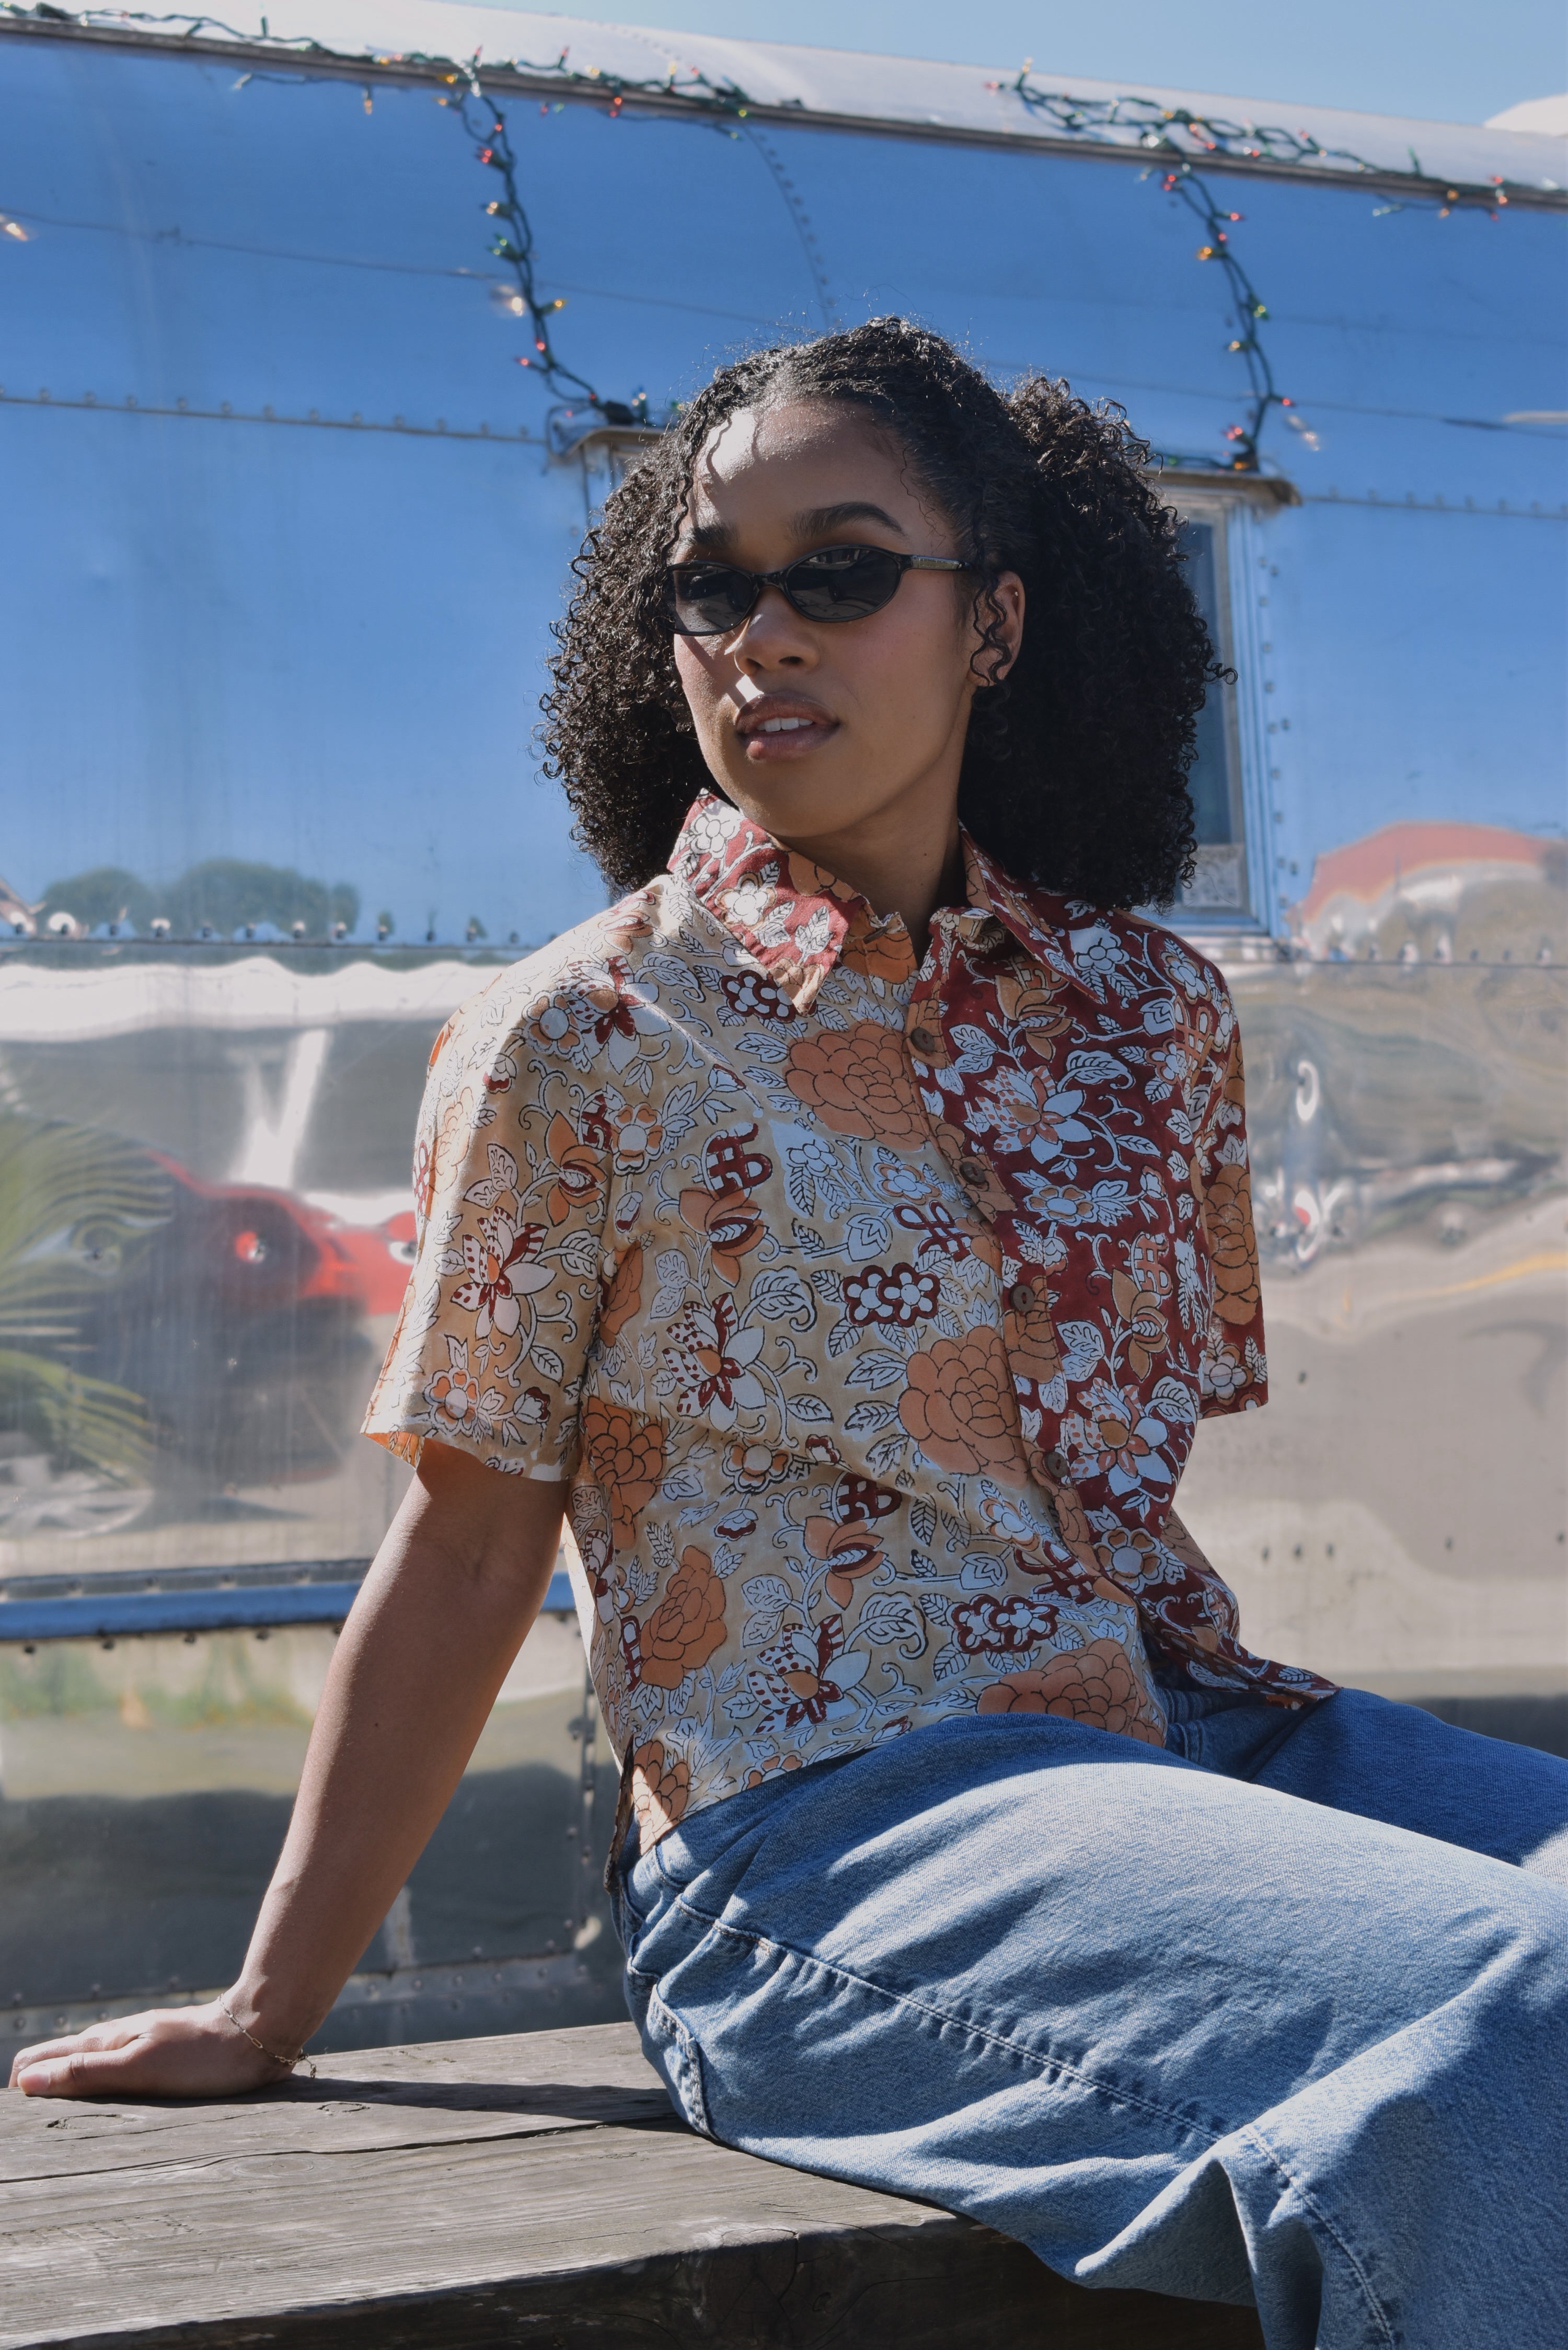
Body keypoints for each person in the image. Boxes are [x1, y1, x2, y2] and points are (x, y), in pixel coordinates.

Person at [14, 319, 1565, 2347]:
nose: (766, 633)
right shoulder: (586, 1036)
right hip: (822, 1829)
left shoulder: (1150, 1019)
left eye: (840, 569)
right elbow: (473, 1541)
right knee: (1503, 2016)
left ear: (993, 623)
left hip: (1188, 1737)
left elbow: (1108, 1508)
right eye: (713, 584)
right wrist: (265, 2001)